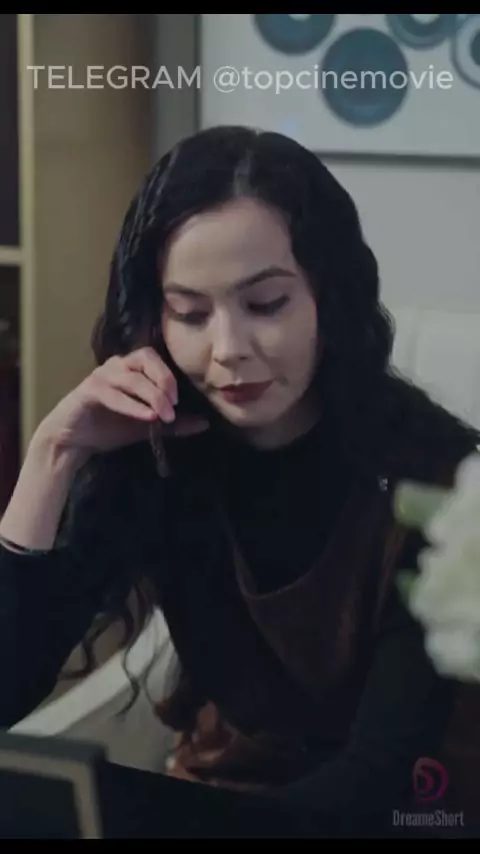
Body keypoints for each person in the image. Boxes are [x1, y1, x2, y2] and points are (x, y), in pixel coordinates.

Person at [0, 125, 478, 837]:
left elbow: (376, 774)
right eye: (191, 314)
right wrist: (52, 453)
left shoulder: (441, 483)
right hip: (225, 797)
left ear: (328, 297)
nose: (227, 350)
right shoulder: (156, 453)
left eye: (266, 304)